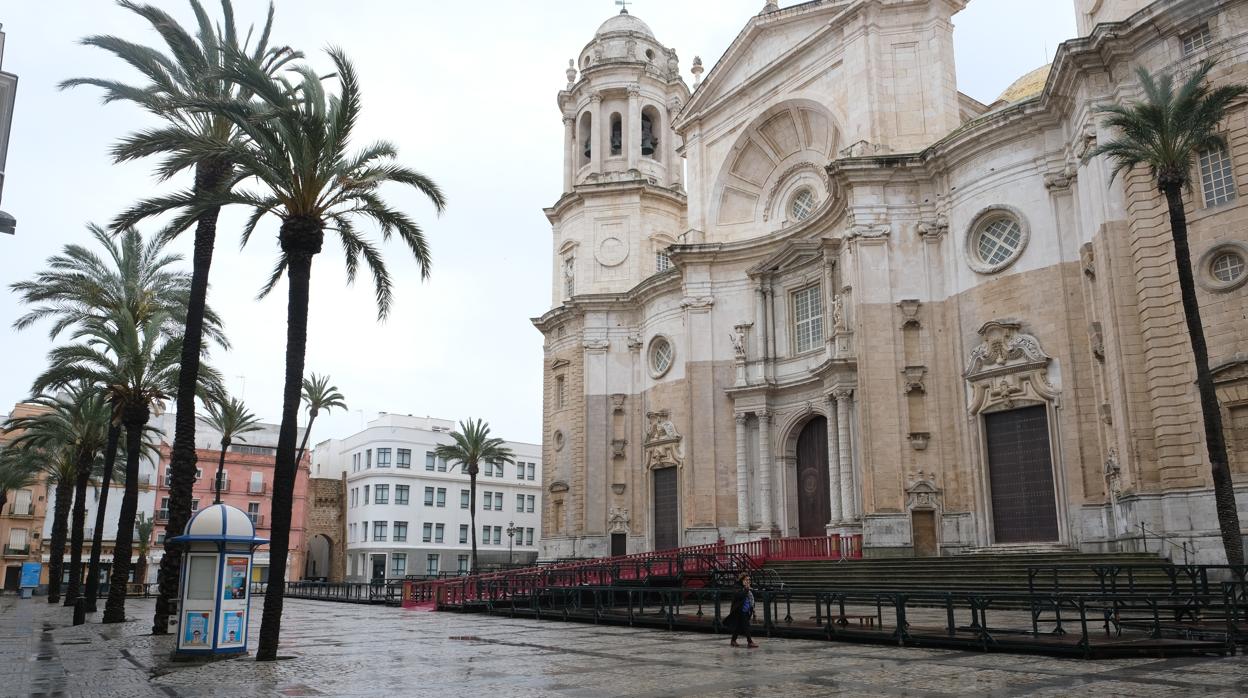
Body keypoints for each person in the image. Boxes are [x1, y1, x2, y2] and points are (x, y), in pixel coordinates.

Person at [724, 573, 758, 648]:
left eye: (749, 580)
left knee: (739, 626)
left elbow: (752, 599)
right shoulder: (737, 587)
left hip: (747, 610)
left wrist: (753, 611)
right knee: (746, 625)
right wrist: (746, 589)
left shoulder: (748, 588)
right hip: (739, 610)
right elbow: (739, 595)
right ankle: (750, 642)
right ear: (742, 580)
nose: (748, 581)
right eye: (746, 580)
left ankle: (733, 640)